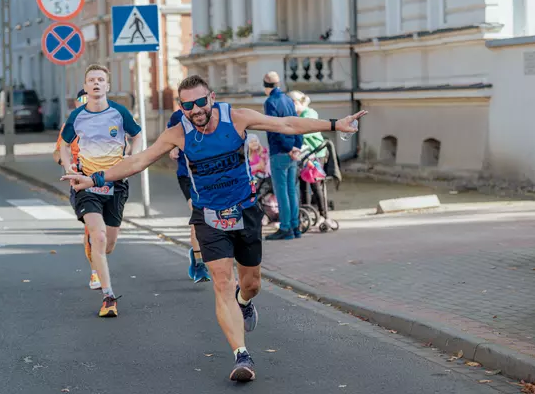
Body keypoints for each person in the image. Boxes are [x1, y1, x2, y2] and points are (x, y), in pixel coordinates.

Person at [61, 74, 366, 382]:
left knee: (251, 284)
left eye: (200, 102)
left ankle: (244, 302)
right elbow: (138, 161)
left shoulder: (236, 118)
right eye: (187, 105)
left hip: (245, 210)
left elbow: (287, 124)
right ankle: (241, 356)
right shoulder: (178, 133)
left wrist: (335, 124)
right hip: (208, 216)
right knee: (222, 282)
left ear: (211, 98)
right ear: (181, 106)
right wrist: (95, 178)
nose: (195, 110)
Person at [60, 64, 143, 318]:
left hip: (116, 183)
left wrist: (132, 157)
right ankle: (108, 296)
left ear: (107, 86)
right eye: (91, 80)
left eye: (100, 80)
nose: (96, 83)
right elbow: (64, 144)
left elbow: (138, 135)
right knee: (98, 236)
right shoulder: (77, 116)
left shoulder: (119, 112)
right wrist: (69, 166)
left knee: (109, 243)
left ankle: (96, 257)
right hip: (86, 183)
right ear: (85, 87)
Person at [53, 89, 102, 290]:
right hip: (81, 182)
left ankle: (99, 262)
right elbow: (57, 152)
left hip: (107, 181)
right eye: (82, 99)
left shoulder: (110, 121)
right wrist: (67, 165)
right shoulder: (70, 126)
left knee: (107, 232)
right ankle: (95, 272)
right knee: (92, 228)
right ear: (76, 103)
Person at [167, 109, 211, 283]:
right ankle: (200, 263)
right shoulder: (177, 117)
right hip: (187, 175)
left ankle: (202, 252)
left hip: (210, 176)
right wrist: (173, 147)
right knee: (197, 214)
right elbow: (168, 137)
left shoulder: (214, 113)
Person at [262, 71, 303, 241]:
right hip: (293, 151)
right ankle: (295, 226)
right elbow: (297, 123)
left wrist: (288, 148)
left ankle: (286, 228)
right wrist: (297, 146)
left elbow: (275, 127)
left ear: (266, 86)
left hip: (280, 151)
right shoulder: (288, 99)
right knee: (292, 191)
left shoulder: (270, 102)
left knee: (282, 192)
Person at [288, 90, 332, 227]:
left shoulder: (309, 113)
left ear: (295, 102)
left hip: (316, 154)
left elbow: (306, 130)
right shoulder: (299, 115)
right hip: (305, 154)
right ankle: (306, 213)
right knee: (304, 185)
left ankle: (324, 215)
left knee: (316, 185)